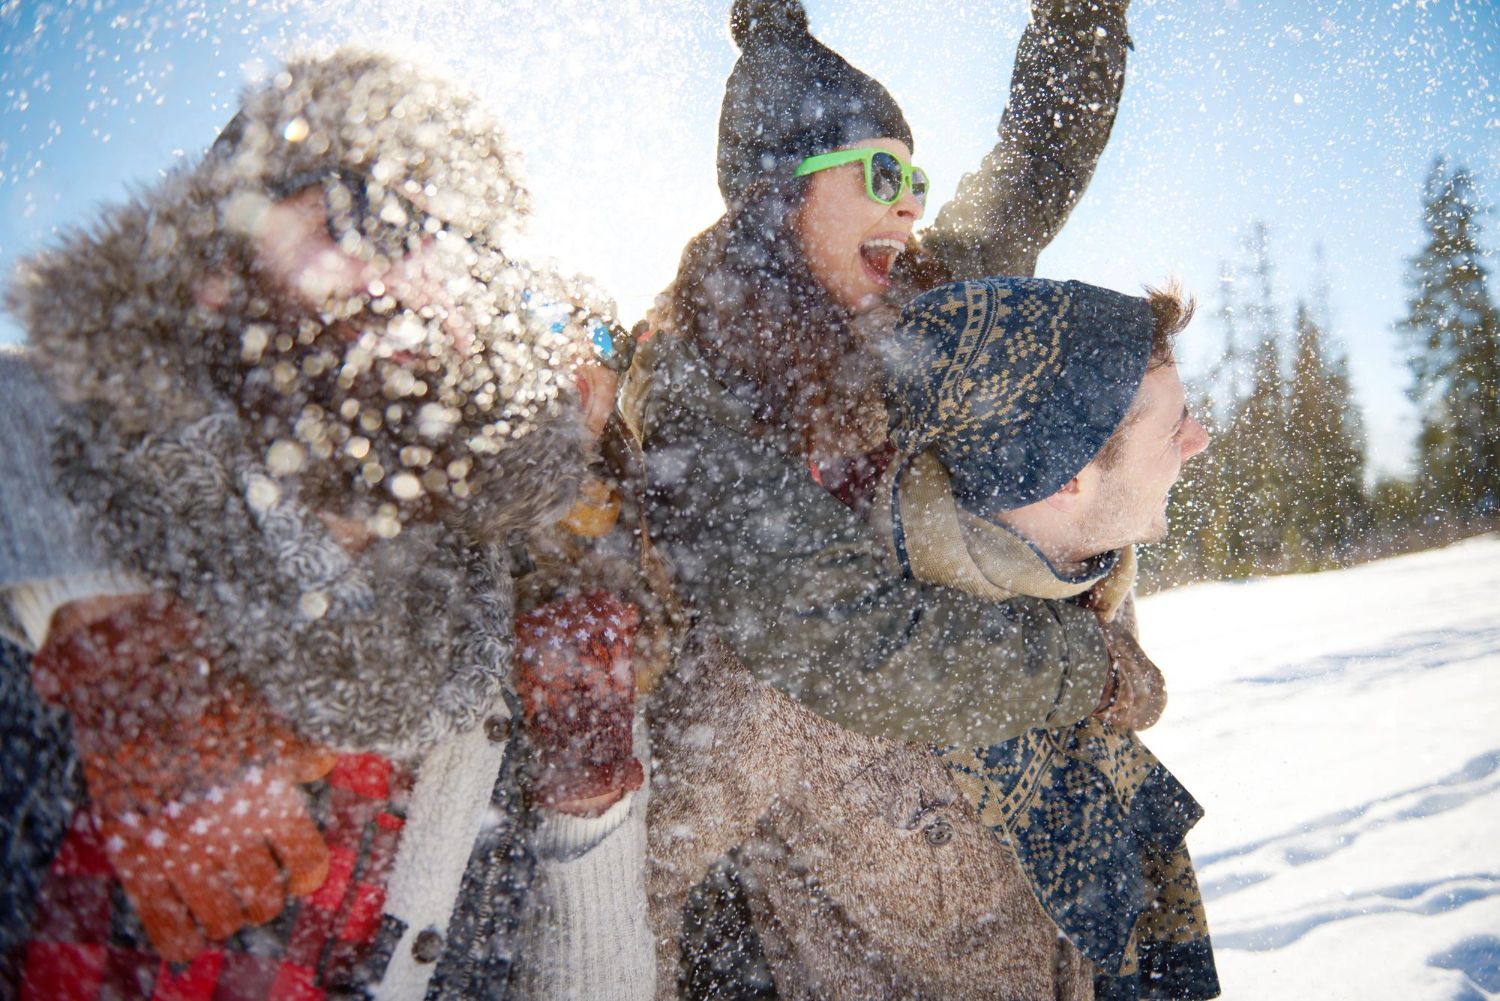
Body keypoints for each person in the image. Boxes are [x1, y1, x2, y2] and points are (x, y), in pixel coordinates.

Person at [3, 50, 653, 999]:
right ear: (215, 267)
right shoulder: (100, 537)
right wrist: (111, 629)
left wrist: (588, 811)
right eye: (370, 213)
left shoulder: (485, 585)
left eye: (463, 246)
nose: (424, 272)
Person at [623, 0, 1156, 994]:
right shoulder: (691, 393)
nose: (911, 203)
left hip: (1021, 844)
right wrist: (1083, 665)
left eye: (914, 176)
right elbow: (841, 637)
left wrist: (1082, 18)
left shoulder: (928, 301)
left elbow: (1032, 167)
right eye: (880, 175)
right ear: (777, 196)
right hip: (843, 890)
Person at [643, 277, 1219, 999]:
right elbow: (641, 881)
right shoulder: (792, 663)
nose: (1196, 439)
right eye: (1175, 424)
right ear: (1066, 474)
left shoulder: (1086, 593)